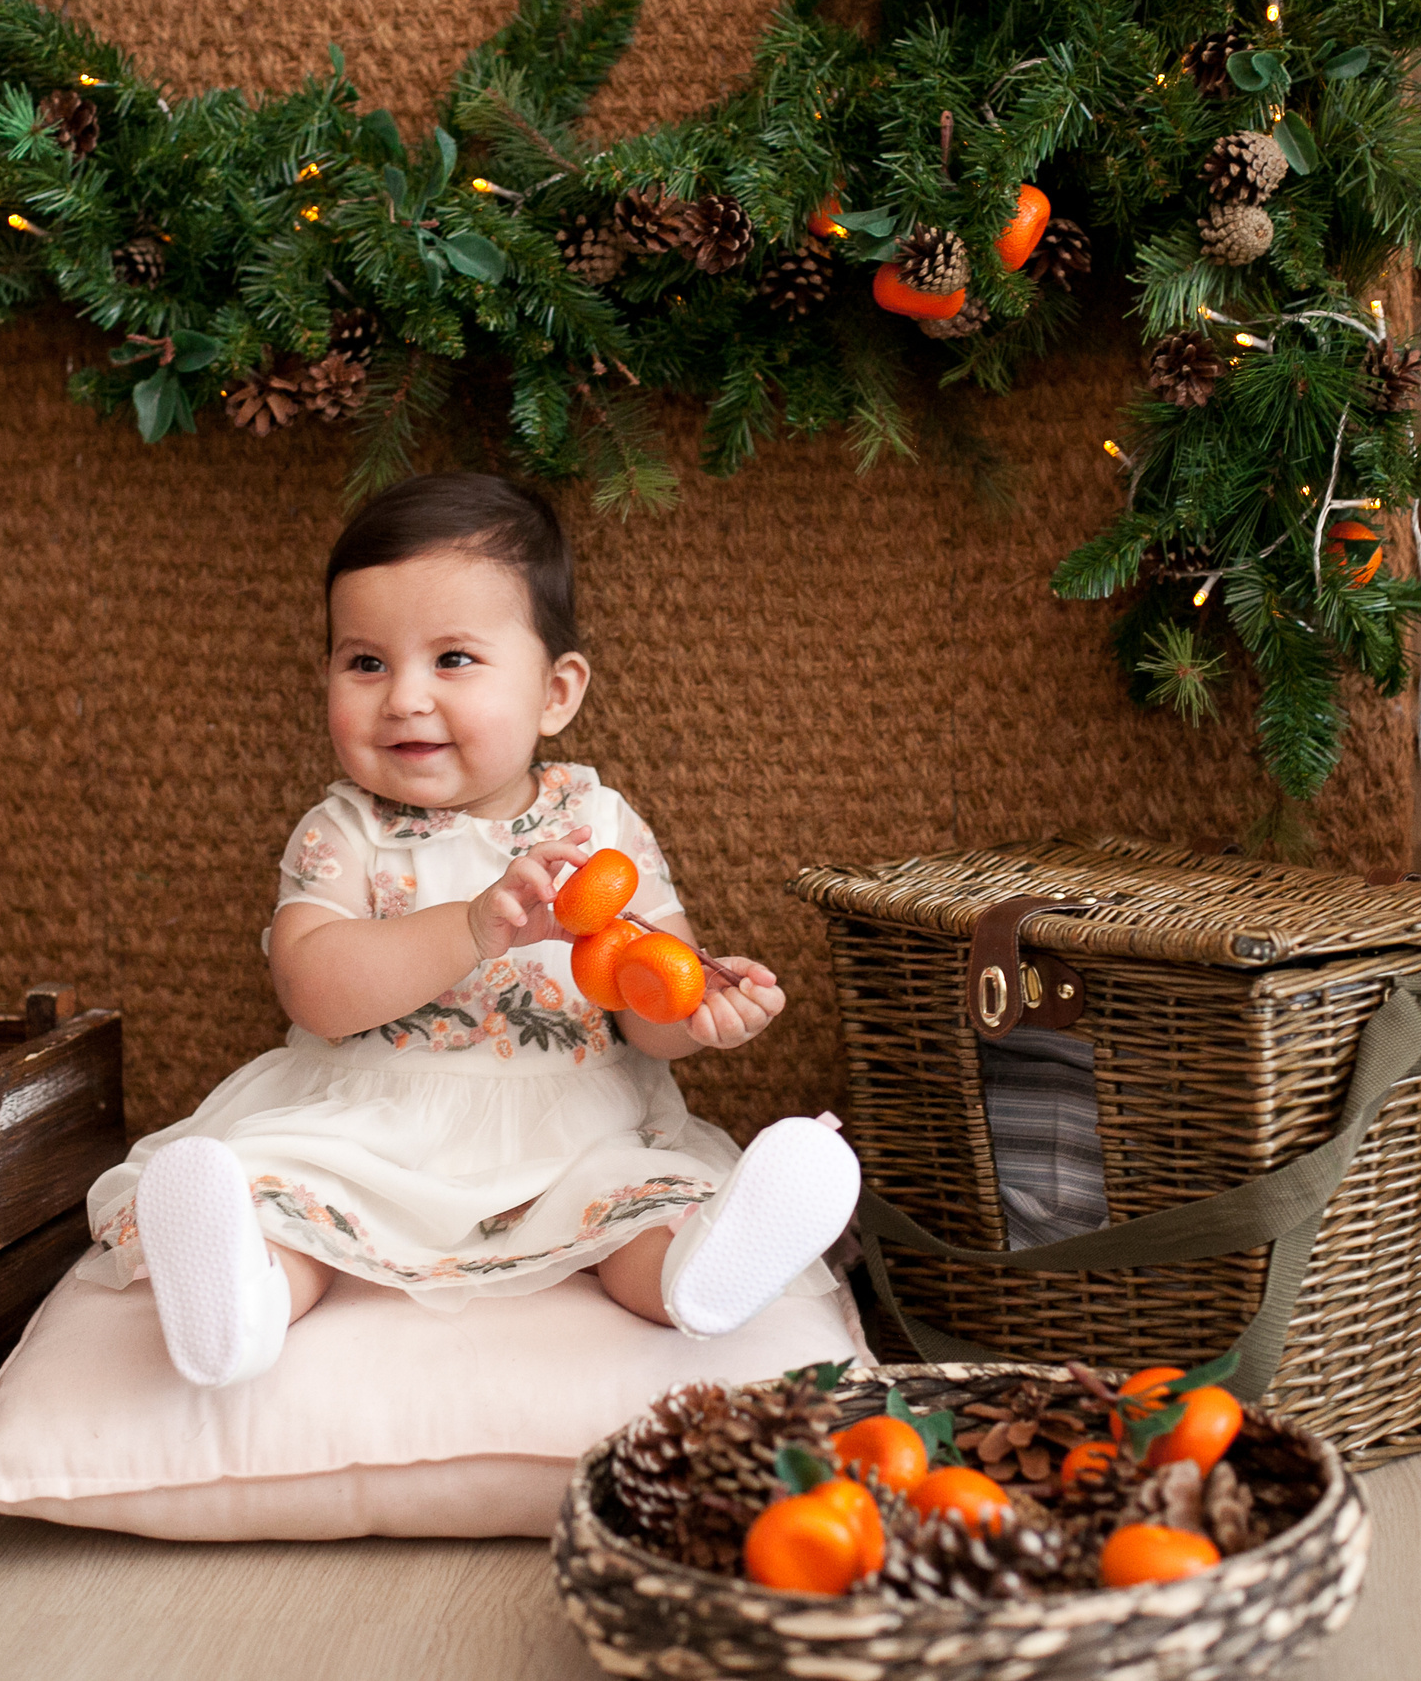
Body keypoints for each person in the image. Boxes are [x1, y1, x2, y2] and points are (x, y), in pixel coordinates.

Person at [80, 472, 859, 1387]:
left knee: (639, 1210)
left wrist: (699, 1011)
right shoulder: (346, 832)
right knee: (291, 1209)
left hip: (572, 1130)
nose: (405, 697)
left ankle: (707, 1268)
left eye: (453, 659)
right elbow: (314, 992)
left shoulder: (600, 825)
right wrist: (470, 925)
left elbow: (646, 1001)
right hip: (368, 1127)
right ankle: (235, 1302)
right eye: (365, 662)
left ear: (556, 692)